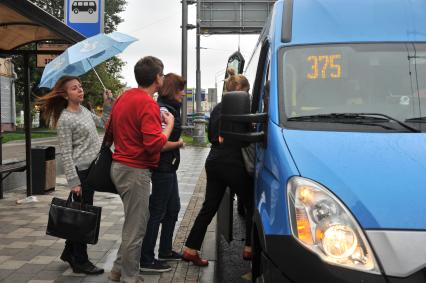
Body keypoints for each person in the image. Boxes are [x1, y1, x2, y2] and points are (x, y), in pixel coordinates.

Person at [108, 56, 174, 283]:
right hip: (135, 170)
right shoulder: (147, 103)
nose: (163, 78)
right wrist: (169, 127)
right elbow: (154, 143)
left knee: (132, 223)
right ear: (157, 78)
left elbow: (109, 132)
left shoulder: (123, 97)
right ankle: (129, 277)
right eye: (162, 74)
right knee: (136, 228)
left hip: (119, 166)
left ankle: (118, 270)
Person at [37, 75, 112, 275]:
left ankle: (70, 252)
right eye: (74, 88)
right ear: (65, 94)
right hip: (81, 172)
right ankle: (80, 260)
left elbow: (104, 123)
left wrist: (106, 104)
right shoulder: (65, 119)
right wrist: (74, 182)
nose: (80, 90)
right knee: (83, 217)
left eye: (80, 87)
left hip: (92, 170)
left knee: (80, 214)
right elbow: (66, 154)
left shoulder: (84, 110)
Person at [182, 69, 254, 266]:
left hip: (213, 161)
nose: (247, 95)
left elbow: (213, 136)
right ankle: (249, 247)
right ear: (238, 90)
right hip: (233, 163)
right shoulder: (241, 109)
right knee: (251, 204)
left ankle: (190, 249)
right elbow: (246, 138)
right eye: (246, 91)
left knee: (209, 207)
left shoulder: (216, 108)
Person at [139, 73, 186, 272]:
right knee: (157, 211)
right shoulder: (163, 111)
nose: (184, 93)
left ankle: (165, 250)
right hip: (161, 167)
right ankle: (146, 258)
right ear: (173, 90)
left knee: (173, 208)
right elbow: (158, 144)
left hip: (169, 167)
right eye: (181, 89)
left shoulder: (170, 108)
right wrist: (179, 143)